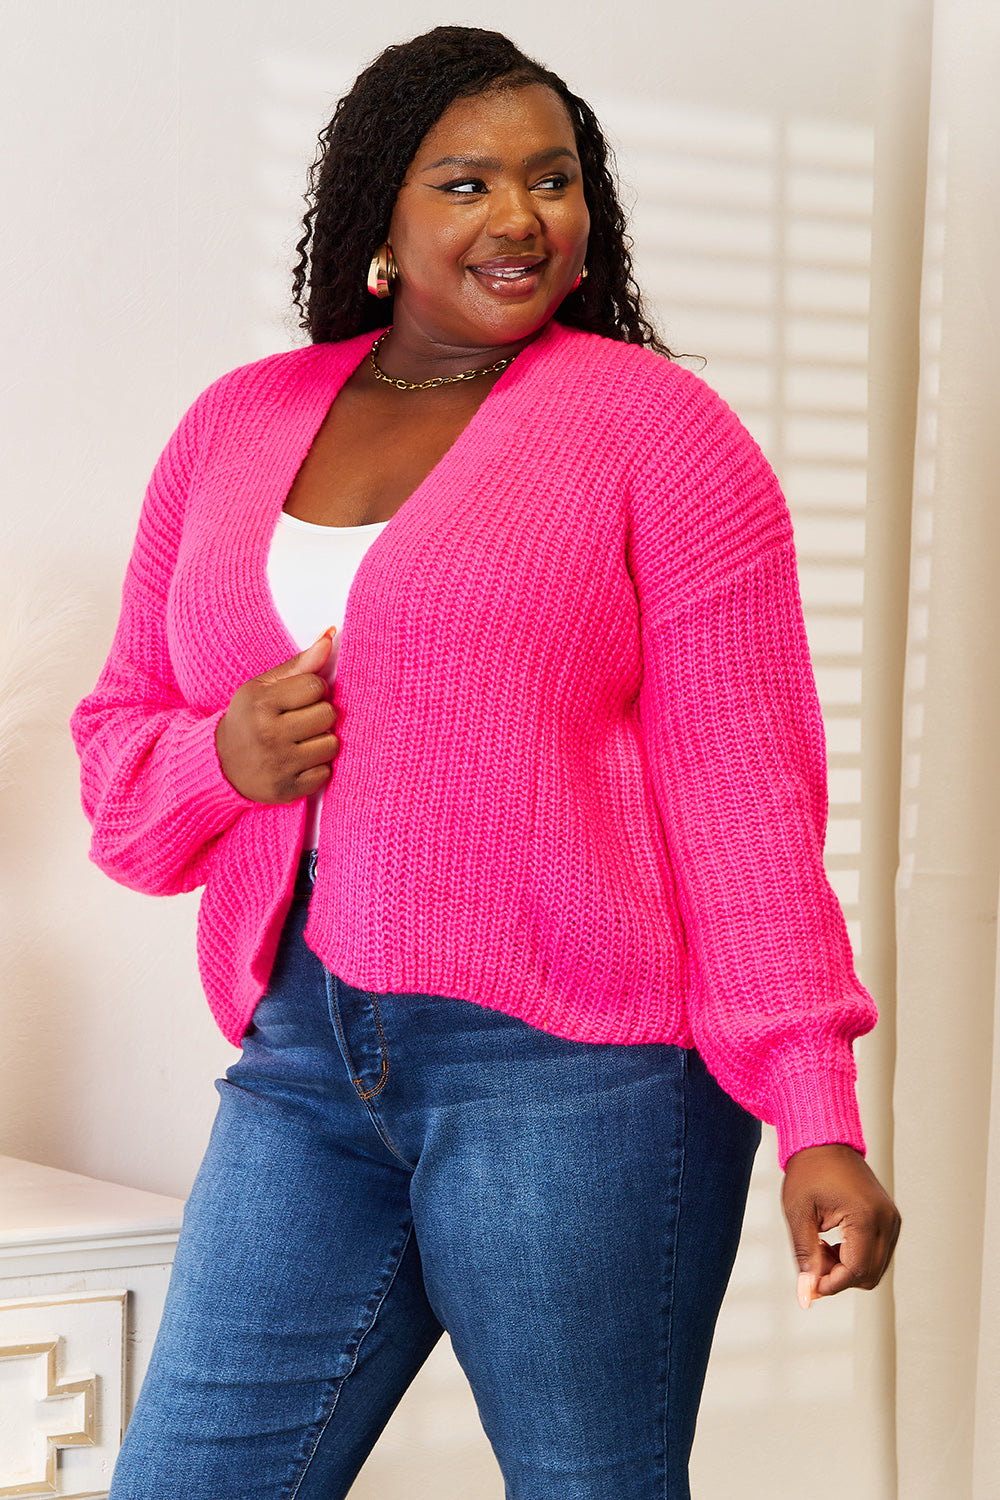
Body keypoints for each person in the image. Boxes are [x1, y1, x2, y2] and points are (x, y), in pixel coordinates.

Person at [71, 24, 901, 1500]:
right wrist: (224, 761)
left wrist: (813, 1112)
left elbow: (744, 796)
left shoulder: (660, 433)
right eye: (466, 183)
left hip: (580, 1073)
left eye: (554, 180)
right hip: (303, 1059)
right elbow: (121, 755)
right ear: (381, 220)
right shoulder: (236, 425)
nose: (519, 218)